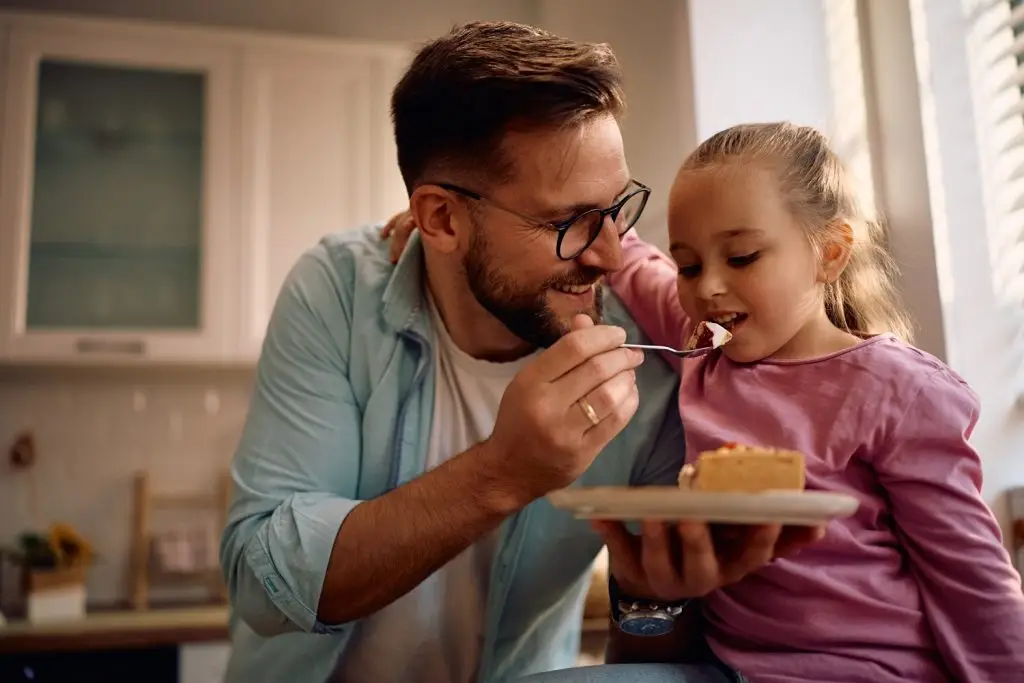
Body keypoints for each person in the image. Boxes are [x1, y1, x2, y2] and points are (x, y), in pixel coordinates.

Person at [219, 23, 818, 683]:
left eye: (616, 208)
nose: (612, 254)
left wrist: (652, 590)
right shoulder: (338, 289)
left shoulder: (645, 354)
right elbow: (261, 575)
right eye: (570, 223)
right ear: (441, 219)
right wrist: (502, 473)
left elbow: (647, 642)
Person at [593, 122, 1024, 682]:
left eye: (742, 257)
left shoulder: (897, 390)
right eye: (690, 265)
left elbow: (970, 578)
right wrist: (595, 214)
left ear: (831, 252)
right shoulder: (703, 345)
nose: (708, 288)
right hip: (731, 667)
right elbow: (637, 264)